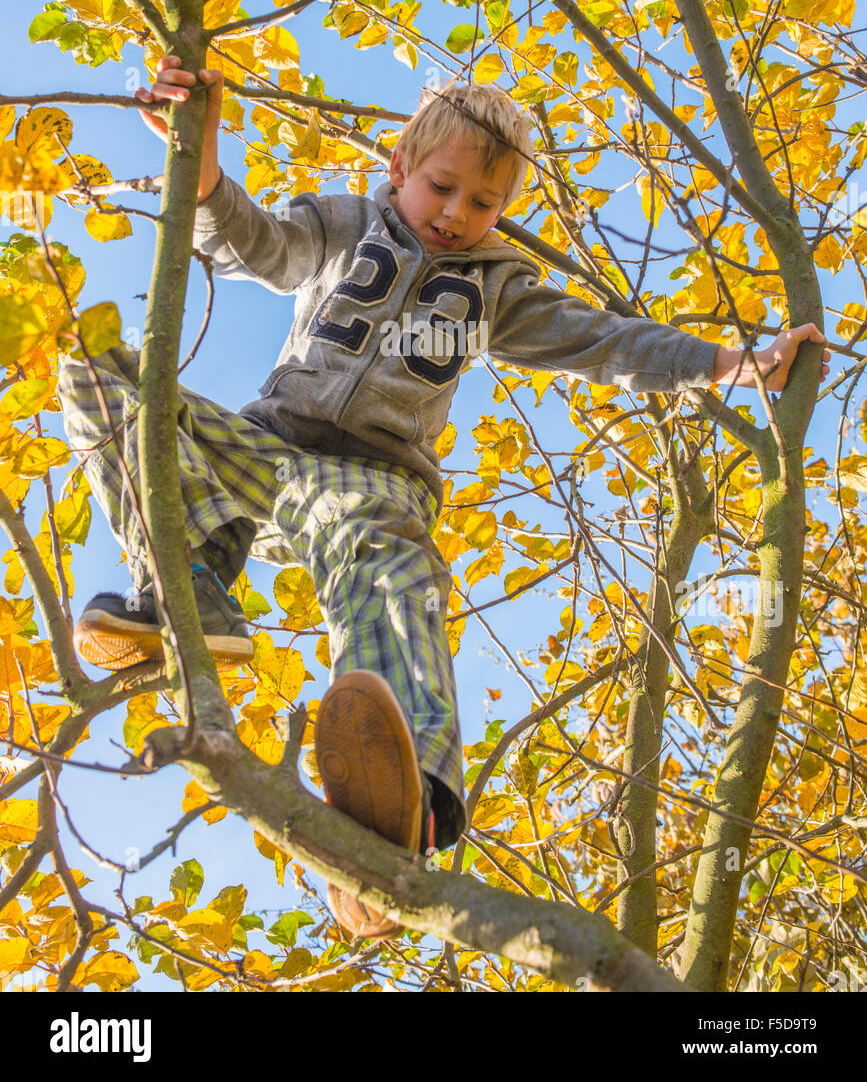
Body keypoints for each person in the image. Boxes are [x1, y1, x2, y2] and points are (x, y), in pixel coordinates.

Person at [60, 57, 830, 939]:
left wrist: (727, 364)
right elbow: (257, 246)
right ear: (399, 168)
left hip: (375, 482)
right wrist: (199, 172)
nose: (458, 214)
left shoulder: (496, 286)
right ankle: (190, 575)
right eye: (443, 187)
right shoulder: (346, 223)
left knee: (391, 579)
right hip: (268, 456)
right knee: (96, 364)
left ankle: (405, 807)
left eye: (483, 203)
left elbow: (604, 341)